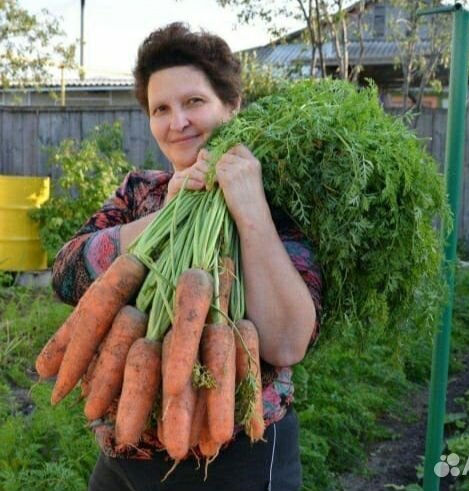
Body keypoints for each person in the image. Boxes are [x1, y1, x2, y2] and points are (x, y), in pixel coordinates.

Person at [51, 22, 322, 491]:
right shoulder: (140, 193)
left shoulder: (280, 203)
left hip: (235, 454)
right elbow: (65, 275)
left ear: (231, 104)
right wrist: (161, 218)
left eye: (194, 102)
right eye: (161, 109)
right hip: (124, 448)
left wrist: (250, 207)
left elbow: (286, 344)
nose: (177, 122)